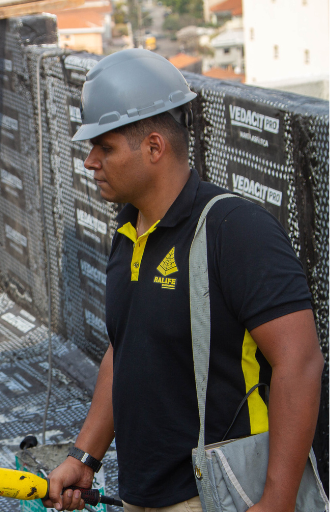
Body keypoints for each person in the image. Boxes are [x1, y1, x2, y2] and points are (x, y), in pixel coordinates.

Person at [41, 49, 324, 512]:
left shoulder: (234, 230)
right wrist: (84, 455)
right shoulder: (130, 232)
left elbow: (300, 362)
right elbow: (126, 345)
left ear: (154, 147)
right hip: (140, 495)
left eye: (105, 147)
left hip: (220, 494)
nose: (90, 161)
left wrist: (277, 499)